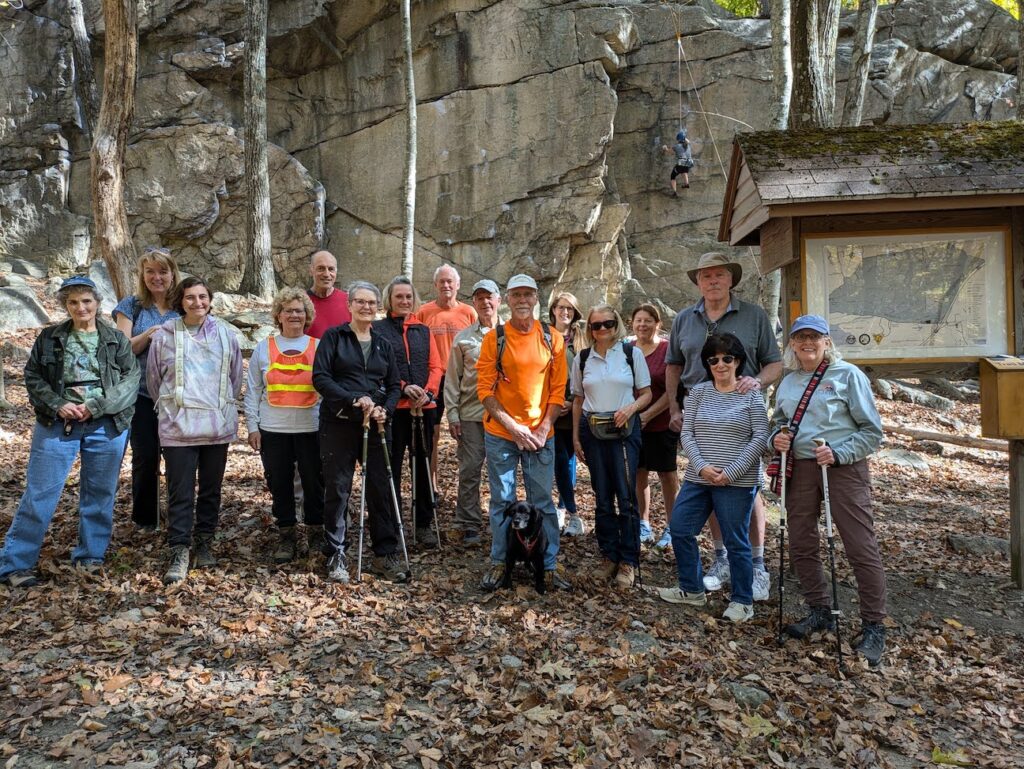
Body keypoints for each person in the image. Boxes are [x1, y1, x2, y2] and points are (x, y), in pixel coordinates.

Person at [0, 276, 138, 587]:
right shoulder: (49, 337)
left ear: (97, 303)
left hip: (106, 424)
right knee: (40, 493)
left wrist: (97, 406)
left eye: (86, 301)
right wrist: (58, 403)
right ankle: (14, 565)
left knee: (99, 493)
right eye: (73, 302)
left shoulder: (115, 339)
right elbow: (33, 376)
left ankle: (90, 557)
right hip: (57, 423)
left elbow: (131, 380)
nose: (81, 307)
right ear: (66, 305)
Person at [665, 252, 782, 602]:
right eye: (706, 276)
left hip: (740, 413)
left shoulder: (753, 316)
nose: (712, 281)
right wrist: (673, 406)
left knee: (746, 488)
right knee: (709, 482)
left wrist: (757, 383)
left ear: (731, 279)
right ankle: (722, 560)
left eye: (719, 275)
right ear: (698, 282)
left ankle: (756, 566)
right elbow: (673, 365)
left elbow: (775, 363)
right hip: (697, 413)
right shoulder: (685, 319)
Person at [771, 315, 887, 666]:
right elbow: (777, 422)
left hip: (842, 468)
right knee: (801, 541)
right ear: (792, 343)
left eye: (815, 337)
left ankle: (874, 625)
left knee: (858, 543)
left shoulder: (848, 376)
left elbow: (872, 432)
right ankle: (818, 609)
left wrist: (838, 453)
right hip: (801, 468)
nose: (808, 342)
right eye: (800, 337)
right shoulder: (788, 382)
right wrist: (776, 437)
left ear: (827, 342)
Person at [657, 333, 768, 623]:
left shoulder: (751, 394)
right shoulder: (698, 393)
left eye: (727, 358)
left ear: (738, 361)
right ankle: (692, 589)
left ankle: (742, 601)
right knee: (680, 528)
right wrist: (703, 466)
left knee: (736, 541)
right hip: (698, 478)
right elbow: (687, 433)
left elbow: (760, 438)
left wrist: (731, 472)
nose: (720, 364)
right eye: (713, 359)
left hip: (737, 482)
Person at [147, 276, 243, 584]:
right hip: (178, 427)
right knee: (180, 490)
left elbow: (235, 378)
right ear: (181, 301)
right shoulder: (165, 335)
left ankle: (205, 541)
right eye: (190, 297)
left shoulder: (227, 335)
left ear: (210, 300)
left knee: (211, 489)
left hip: (216, 426)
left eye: (203, 296)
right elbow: (153, 379)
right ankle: (179, 548)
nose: (197, 302)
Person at [476, 274, 569, 592]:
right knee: (502, 501)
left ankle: (549, 564)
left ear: (537, 298)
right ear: (508, 298)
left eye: (528, 294)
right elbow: (485, 391)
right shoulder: (495, 338)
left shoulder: (552, 337)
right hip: (502, 433)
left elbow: (558, 390)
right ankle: (500, 561)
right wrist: (514, 428)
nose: (522, 300)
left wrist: (543, 428)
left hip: (541, 434)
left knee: (542, 501)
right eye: (516, 294)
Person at [313, 281, 403, 583]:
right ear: (349, 305)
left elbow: (393, 386)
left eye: (371, 302)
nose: (366, 307)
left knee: (381, 489)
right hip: (338, 423)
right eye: (360, 302)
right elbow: (321, 378)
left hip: (376, 426)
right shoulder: (334, 338)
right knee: (338, 490)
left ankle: (384, 553)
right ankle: (336, 552)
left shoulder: (383, 344)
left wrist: (385, 409)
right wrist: (353, 398)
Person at [571, 305, 651, 588]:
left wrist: (630, 409)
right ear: (589, 329)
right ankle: (608, 555)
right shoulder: (582, 358)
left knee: (627, 496)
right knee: (602, 497)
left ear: (616, 323)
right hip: (593, 431)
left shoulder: (631, 354)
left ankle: (628, 560)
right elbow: (578, 399)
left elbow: (647, 393)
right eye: (596, 325)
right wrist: (576, 438)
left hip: (624, 431)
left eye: (607, 323)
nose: (602, 329)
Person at [244, 287, 324, 564]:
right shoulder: (264, 348)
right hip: (273, 429)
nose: (294, 315)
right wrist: (252, 426)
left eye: (299, 310)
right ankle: (286, 533)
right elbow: (253, 389)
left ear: (307, 315)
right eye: (288, 310)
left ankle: (316, 531)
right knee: (279, 484)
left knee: (315, 483)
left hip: (311, 429)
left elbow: (327, 390)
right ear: (278, 315)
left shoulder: (317, 347)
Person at [112, 246, 181, 530]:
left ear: (172, 274)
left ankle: (179, 515)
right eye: (150, 271)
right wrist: (150, 334)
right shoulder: (132, 305)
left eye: (163, 271)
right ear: (142, 274)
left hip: (178, 396)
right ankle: (145, 519)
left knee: (179, 457)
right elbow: (120, 348)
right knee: (146, 456)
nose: (157, 277)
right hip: (141, 396)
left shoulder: (183, 305)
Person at [374, 276, 444, 548]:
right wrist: (404, 388)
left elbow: (436, 366)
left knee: (423, 466)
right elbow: (379, 367)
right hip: (394, 409)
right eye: (399, 296)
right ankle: (392, 524)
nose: (404, 301)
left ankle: (424, 523)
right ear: (389, 299)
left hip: (423, 408)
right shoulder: (378, 330)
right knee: (392, 467)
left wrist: (427, 392)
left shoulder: (423, 330)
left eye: (408, 296)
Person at [445, 279, 501, 546]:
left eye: (489, 297)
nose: (485, 302)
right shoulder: (464, 338)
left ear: (499, 300)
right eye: (479, 298)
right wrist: (452, 415)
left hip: (504, 417)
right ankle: (469, 524)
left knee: (503, 472)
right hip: (471, 415)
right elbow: (453, 380)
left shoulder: (510, 334)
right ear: (474, 303)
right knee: (469, 470)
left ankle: (504, 523)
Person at [414, 264, 477, 486]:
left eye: (450, 281)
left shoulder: (469, 312)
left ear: (458, 285)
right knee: (432, 434)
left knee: (465, 432)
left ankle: (466, 486)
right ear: (435, 285)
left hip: (463, 380)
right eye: (442, 281)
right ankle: (431, 485)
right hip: (433, 380)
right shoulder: (424, 311)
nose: (446, 285)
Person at [630, 304, 680, 548]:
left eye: (648, 320)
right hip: (633, 424)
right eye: (638, 320)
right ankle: (643, 522)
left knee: (667, 475)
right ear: (632, 324)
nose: (643, 325)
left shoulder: (667, 349)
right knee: (639, 473)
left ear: (658, 324)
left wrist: (649, 414)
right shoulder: (627, 350)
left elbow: (673, 388)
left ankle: (674, 526)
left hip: (662, 422)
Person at [548, 291, 587, 537]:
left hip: (573, 411)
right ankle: (572, 511)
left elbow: (587, 376)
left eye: (570, 309)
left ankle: (563, 507)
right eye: (561, 308)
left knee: (569, 462)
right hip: (549, 411)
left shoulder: (581, 340)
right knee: (559, 460)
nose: (565, 313)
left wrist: (571, 402)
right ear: (553, 310)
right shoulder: (543, 336)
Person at [306, 250, 351, 338]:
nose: (326, 274)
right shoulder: (300, 302)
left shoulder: (349, 302)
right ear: (311, 271)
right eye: (321, 268)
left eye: (331, 269)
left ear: (336, 272)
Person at [661, 130, 693, 196]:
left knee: (673, 176)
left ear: (678, 139)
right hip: (688, 164)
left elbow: (670, 152)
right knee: (684, 171)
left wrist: (665, 148)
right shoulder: (688, 145)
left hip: (681, 164)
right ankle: (686, 183)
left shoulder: (676, 146)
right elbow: (687, 142)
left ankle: (674, 192)